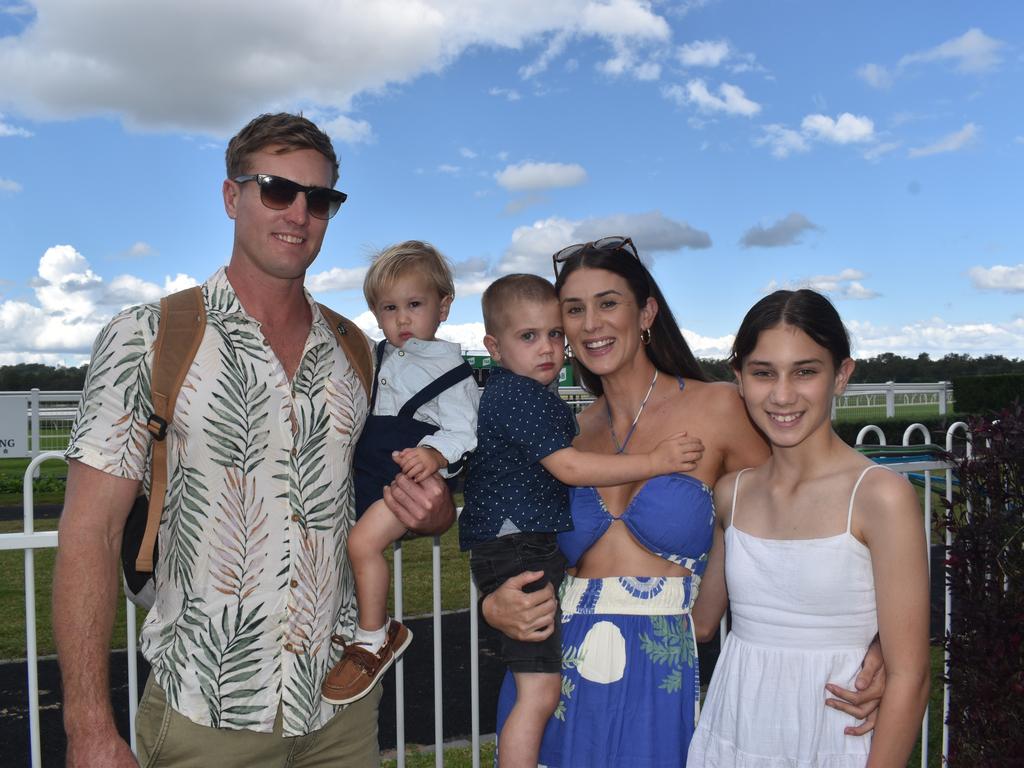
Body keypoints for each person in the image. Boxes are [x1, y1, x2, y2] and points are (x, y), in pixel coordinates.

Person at [53, 113, 453, 768]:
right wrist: (89, 726)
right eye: (276, 190)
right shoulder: (148, 336)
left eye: (318, 199)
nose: (298, 213)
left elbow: (364, 497)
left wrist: (429, 513)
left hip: (340, 711)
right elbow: (88, 534)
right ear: (232, 196)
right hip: (206, 713)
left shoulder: (356, 351)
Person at [481, 237, 888, 767]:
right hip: (557, 678)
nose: (590, 324)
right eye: (574, 310)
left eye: (608, 303)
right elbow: (512, 541)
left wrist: (877, 641)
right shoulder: (567, 434)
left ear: (646, 311)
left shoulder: (717, 407)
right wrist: (494, 604)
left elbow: (812, 506)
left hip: (661, 678)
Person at [462, 274, 705, 768]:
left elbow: (763, 512)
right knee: (536, 705)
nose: (551, 345)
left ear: (647, 313)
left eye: (554, 332)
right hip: (560, 639)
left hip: (652, 665)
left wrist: (705, 618)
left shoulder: (715, 407)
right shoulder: (543, 410)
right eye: (531, 336)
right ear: (495, 346)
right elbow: (567, 471)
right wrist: (657, 462)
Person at [687, 289, 930, 766]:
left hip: (833, 740)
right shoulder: (731, 494)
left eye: (805, 371)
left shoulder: (880, 496)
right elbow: (697, 622)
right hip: (734, 733)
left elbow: (910, 677)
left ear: (841, 375)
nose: (782, 395)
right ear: (738, 378)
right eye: (763, 373)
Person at [322, 240, 480, 706]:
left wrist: (434, 454)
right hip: (372, 470)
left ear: (443, 306)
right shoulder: (380, 357)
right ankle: (356, 622)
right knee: (343, 541)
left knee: (362, 543)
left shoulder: (451, 370)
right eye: (390, 309)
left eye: (415, 305)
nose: (403, 319)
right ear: (376, 314)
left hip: (408, 479)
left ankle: (375, 636)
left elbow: (464, 430)